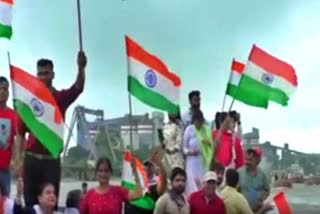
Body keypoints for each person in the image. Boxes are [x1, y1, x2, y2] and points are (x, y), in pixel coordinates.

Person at [15, 51, 87, 207]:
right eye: (40, 74)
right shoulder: (29, 102)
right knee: (30, 206)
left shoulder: (60, 99)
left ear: (53, 75)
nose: (43, 77)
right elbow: (20, 134)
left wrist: (81, 68)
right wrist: (18, 162)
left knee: (49, 206)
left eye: (46, 73)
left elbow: (78, 88)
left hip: (51, 163)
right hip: (31, 161)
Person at [183, 110, 213, 196]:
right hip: (191, 162)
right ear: (194, 120)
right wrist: (190, 152)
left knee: (202, 183)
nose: (199, 124)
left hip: (202, 162)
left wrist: (206, 142)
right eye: (197, 122)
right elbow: (184, 148)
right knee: (192, 185)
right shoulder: (189, 129)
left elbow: (211, 145)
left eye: (200, 122)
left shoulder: (206, 130)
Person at [0, 77, 18, 197]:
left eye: (5, 89)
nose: (2, 91)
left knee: (5, 202)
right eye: (0, 88)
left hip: (5, 169)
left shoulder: (13, 115)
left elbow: (19, 140)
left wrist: (17, 162)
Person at [237, 147, 270, 212]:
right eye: (246, 159)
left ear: (258, 161)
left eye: (250, 160)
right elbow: (234, 191)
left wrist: (262, 198)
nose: (247, 162)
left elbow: (267, 191)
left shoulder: (263, 175)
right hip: (242, 211)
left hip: (258, 210)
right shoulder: (238, 173)